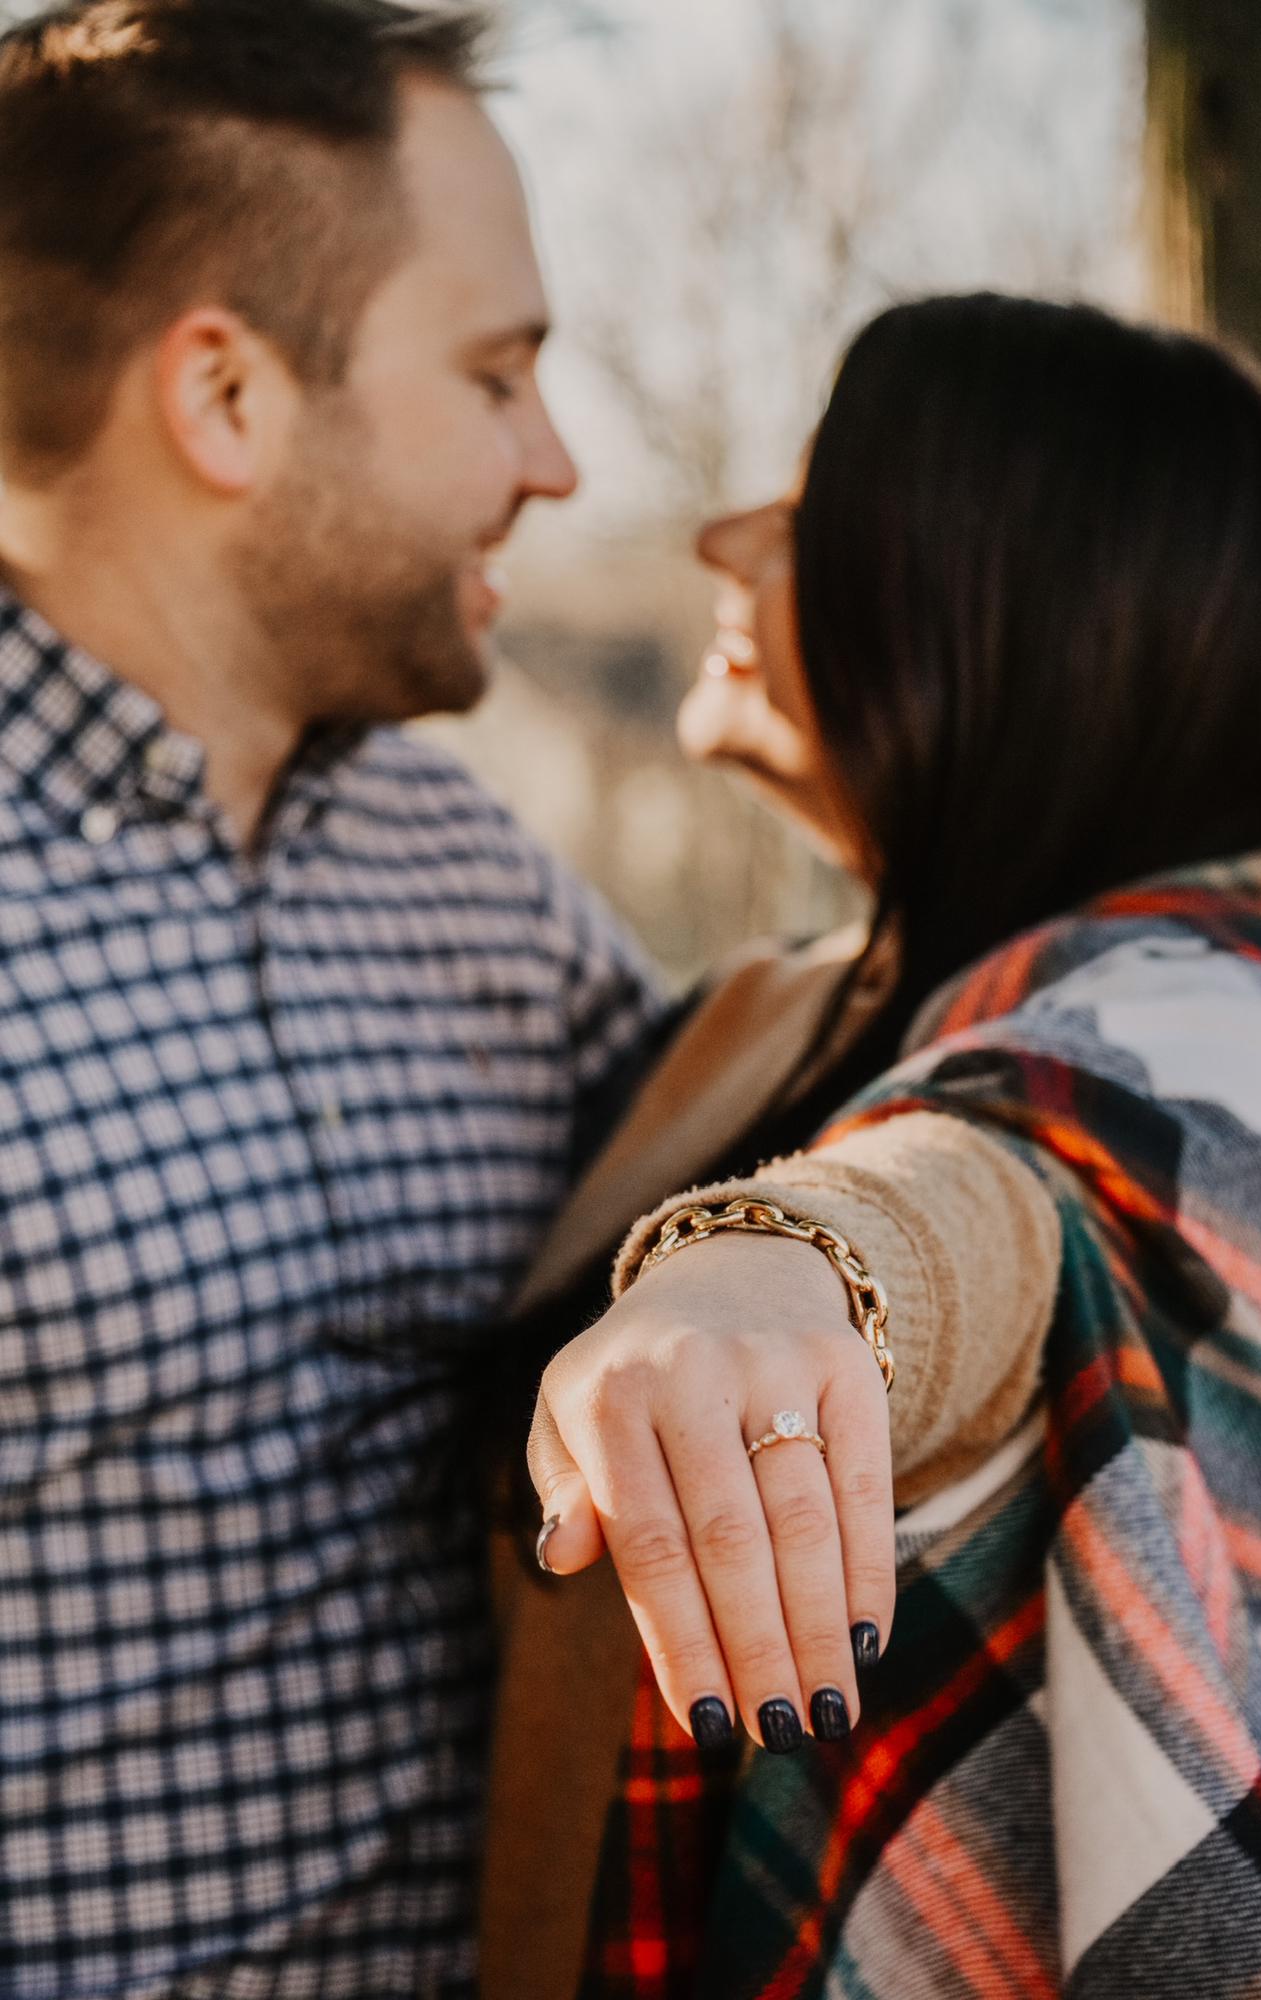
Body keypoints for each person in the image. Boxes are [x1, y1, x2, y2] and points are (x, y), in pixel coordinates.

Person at [488, 296, 1261, 1998]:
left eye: (810, 513)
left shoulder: (1230, 1008)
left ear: (1026, 608)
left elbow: (1021, 1172)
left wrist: (787, 1270)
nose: (723, 540)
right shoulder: (794, 1005)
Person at [0, 3, 667, 1995]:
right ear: (226, 396)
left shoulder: (466, 875)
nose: (554, 461)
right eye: (494, 373)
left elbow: (788, 1128)